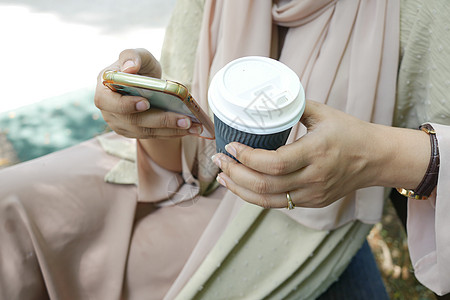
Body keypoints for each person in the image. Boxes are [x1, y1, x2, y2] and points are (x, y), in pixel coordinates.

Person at [0, 0, 443, 299]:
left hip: (297, 221)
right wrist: (150, 111)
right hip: (178, 172)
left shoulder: (424, 12)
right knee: (8, 203)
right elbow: (188, 140)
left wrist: (380, 155)